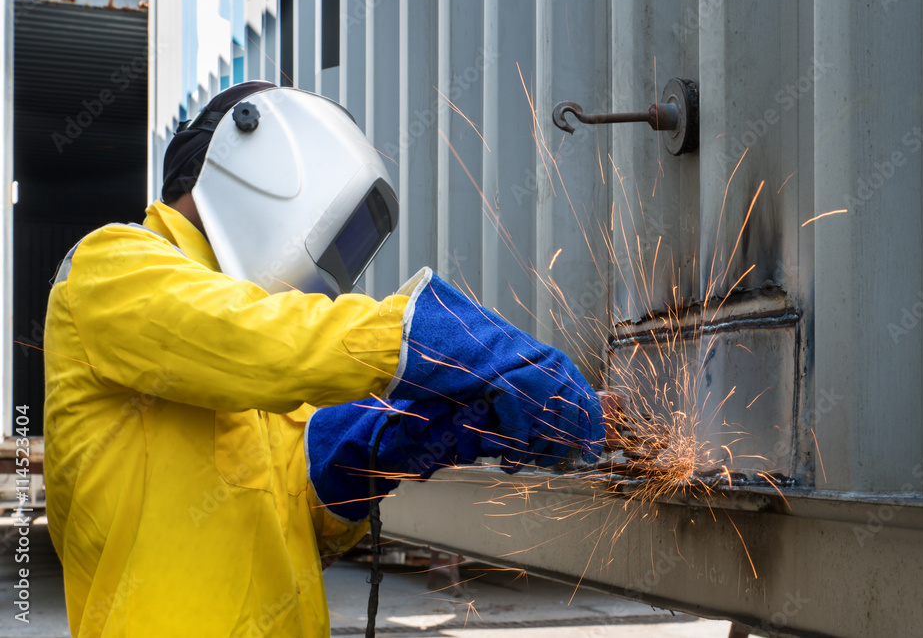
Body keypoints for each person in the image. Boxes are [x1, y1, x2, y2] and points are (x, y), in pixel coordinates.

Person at [43, 81, 604, 636]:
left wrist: (393, 442)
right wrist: (443, 338)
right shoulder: (111, 267)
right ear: (262, 170)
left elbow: (302, 511)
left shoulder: (251, 357)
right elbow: (257, 342)